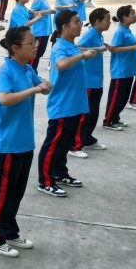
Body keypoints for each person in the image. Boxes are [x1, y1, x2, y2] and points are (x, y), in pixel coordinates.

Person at [0, 26, 52, 256]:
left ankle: (9, 232)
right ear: (15, 48)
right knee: (0, 196)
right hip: (7, 146)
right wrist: (34, 89)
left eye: (35, 42)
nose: (35, 46)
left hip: (24, 143)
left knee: (15, 193)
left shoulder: (26, 69)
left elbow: (40, 85)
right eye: (30, 43)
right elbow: (4, 99)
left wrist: (43, 85)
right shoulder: (6, 72)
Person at [36, 10, 97, 196]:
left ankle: (60, 173)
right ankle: (45, 181)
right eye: (76, 22)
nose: (80, 25)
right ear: (64, 27)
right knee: (53, 144)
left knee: (65, 143)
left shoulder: (71, 45)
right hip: (62, 105)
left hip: (75, 104)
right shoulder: (59, 47)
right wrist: (83, 56)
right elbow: (61, 65)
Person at [69, 7, 111, 157]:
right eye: (107, 20)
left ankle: (87, 138)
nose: (110, 23)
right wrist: (98, 48)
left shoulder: (98, 34)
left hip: (96, 80)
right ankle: (74, 145)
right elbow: (78, 47)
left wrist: (101, 47)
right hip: (88, 81)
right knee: (84, 114)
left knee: (93, 113)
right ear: (97, 22)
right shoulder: (91, 33)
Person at [102, 6, 136, 129]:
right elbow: (114, 49)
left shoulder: (127, 30)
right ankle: (108, 121)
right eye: (133, 14)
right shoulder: (119, 32)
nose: (135, 16)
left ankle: (115, 118)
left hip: (129, 68)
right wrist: (133, 47)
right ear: (124, 17)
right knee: (116, 97)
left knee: (124, 97)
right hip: (121, 69)